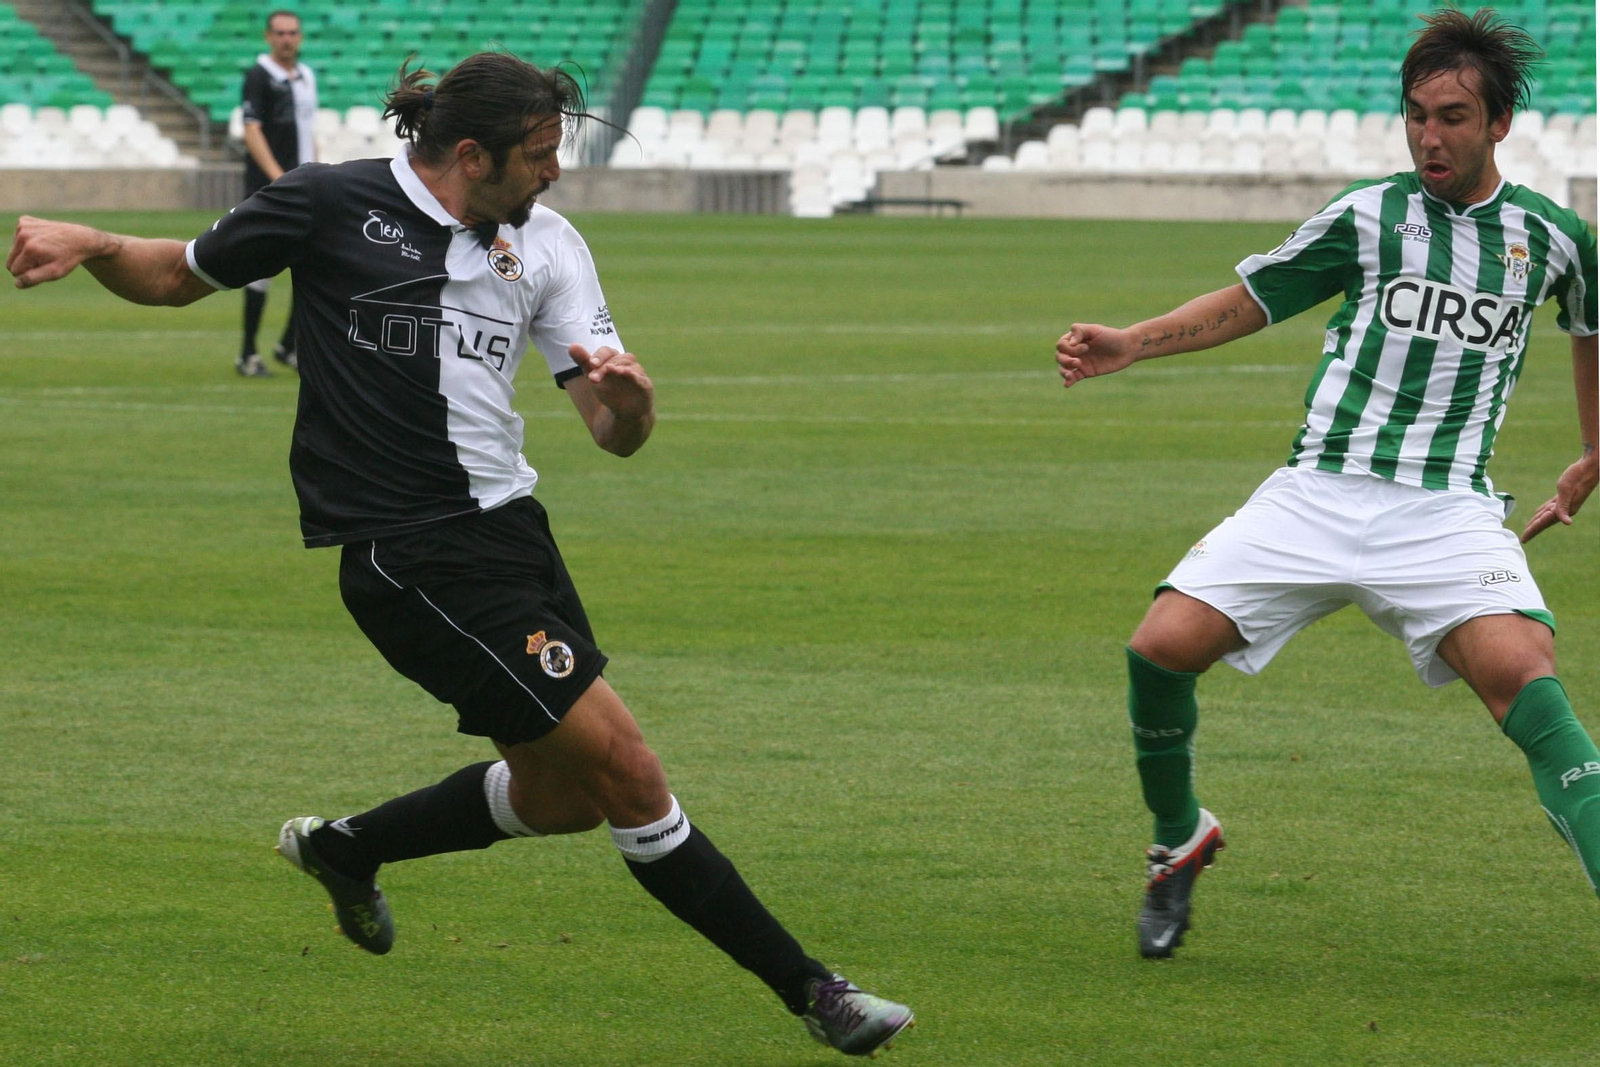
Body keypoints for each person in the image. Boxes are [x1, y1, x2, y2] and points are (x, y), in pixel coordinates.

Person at [7, 52, 913, 1057]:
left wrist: (633, 407)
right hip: (407, 554)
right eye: (538, 154)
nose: (555, 172)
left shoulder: (551, 244)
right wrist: (90, 240)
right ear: (470, 154)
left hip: (512, 534)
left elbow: (608, 431)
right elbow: (177, 273)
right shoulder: (326, 202)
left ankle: (345, 846)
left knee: (560, 797)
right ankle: (813, 989)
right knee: (625, 768)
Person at [1054, 7, 1597, 960]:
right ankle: (1178, 838)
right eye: (1418, 114)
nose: (1432, 134)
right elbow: (1254, 299)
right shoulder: (1367, 215)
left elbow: (1590, 331)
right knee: (1158, 647)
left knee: (1527, 681)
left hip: (1445, 509)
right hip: (1318, 490)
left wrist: (1595, 450)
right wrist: (1132, 342)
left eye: (1455, 116)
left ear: (1501, 122)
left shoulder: (1555, 239)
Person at [236, 8, 317, 377]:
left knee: (312, 264)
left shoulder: (306, 77)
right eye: (280, 33)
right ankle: (248, 353)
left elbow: (307, 129)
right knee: (260, 268)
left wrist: (317, 170)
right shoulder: (259, 76)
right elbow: (252, 130)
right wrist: (277, 177)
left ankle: (289, 345)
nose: (287, 39)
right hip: (272, 187)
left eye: (293, 33)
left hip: (304, 185)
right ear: (269, 36)